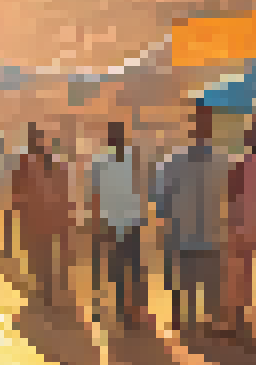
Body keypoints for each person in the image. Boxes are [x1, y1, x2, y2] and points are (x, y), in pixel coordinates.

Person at [156, 103, 223, 336]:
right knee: (205, 285)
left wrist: (166, 220)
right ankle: (199, 324)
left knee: (184, 283)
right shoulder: (224, 162)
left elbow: (161, 200)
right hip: (208, 235)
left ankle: (182, 320)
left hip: (185, 234)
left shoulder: (173, 162)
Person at [88, 120, 149, 328]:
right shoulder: (130, 160)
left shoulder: (103, 162)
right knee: (128, 268)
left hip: (118, 222)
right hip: (124, 222)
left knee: (120, 269)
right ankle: (129, 311)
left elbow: (95, 195)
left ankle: (125, 310)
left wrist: (96, 221)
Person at [225, 116, 256, 343]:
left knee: (241, 274)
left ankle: (239, 319)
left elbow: (230, 194)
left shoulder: (241, 163)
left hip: (242, 224)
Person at [16, 125, 67, 308]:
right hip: (42, 216)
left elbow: (17, 191)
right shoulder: (43, 160)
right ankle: (46, 289)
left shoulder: (30, 161)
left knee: (39, 255)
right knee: (42, 255)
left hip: (38, 217)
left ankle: (46, 290)